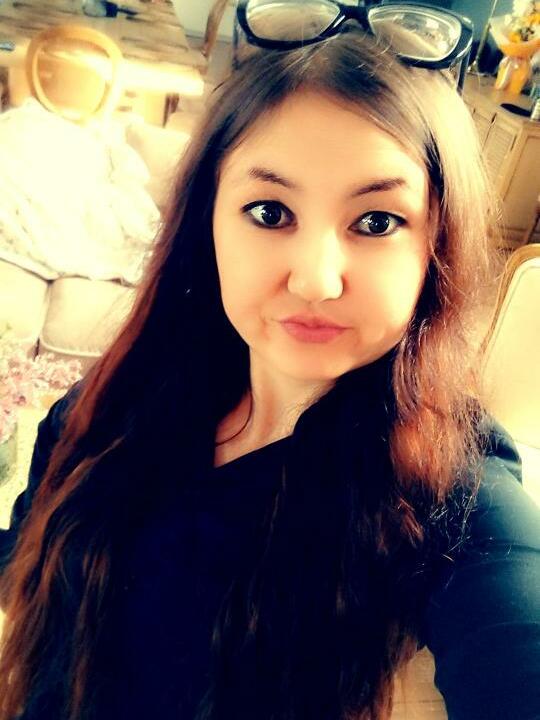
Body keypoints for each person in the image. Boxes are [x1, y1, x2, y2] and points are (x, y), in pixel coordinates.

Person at [1, 3, 539, 719]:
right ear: (209, 223)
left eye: (376, 222)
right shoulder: (117, 396)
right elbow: (24, 555)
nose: (315, 279)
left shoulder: (452, 483)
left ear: (434, 248)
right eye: (269, 212)